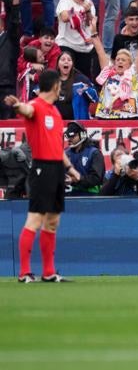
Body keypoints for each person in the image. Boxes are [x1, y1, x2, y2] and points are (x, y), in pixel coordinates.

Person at [6, 70, 82, 283]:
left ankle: (48, 272)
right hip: (41, 169)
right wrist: (16, 105)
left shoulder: (55, 112)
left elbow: (57, 146)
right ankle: (24, 273)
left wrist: (70, 169)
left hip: (57, 168)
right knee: (35, 219)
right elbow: (26, 109)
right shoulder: (37, 106)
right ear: (56, 85)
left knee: (52, 221)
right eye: (60, 85)